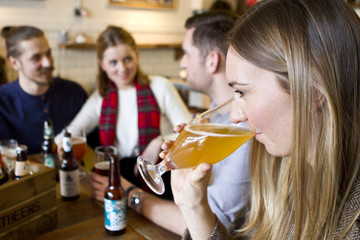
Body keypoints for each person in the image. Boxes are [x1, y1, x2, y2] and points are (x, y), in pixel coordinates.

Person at [165, 0, 360, 239]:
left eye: (242, 92)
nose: (236, 116)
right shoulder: (288, 174)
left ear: (312, 90)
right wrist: (194, 207)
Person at [92, 11, 252, 236]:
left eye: (186, 53)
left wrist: (130, 195)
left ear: (212, 60)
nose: (182, 61)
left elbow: (216, 225)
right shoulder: (215, 112)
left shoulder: (242, 129)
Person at [58, 25, 191, 196]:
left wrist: (159, 141)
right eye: (113, 62)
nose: (122, 68)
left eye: (127, 59)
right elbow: (71, 132)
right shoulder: (100, 97)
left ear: (136, 55)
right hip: (119, 177)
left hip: (159, 175)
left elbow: (189, 132)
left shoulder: (160, 86)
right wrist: (63, 144)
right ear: (102, 65)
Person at [0, 26, 87, 154]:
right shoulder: (3, 101)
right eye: (36, 58)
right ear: (15, 63)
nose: (48, 63)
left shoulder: (74, 92)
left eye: (48, 53)